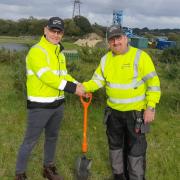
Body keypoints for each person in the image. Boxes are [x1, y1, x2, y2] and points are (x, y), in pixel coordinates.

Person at [82, 25, 161, 180]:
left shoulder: (141, 56)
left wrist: (150, 107)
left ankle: (136, 177)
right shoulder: (105, 60)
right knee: (115, 146)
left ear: (125, 38)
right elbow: (97, 81)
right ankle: (118, 175)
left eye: (118, 38)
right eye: (112, 39)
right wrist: (82, 87)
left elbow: (153, 84)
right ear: (108, 42)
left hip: (136, 114)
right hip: (113, 113)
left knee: (135, 150)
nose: (115, 42)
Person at [15, 17, 84, 180]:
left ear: (62, 34)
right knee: (30, 141)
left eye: (59, 32)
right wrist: (73, 89)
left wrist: (79, 85)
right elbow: (47, 77)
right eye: (53, 30)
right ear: (45, 30)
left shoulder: (59, 53)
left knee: (52, 137)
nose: (56, 34)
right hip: (39, 106)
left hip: (58, 104)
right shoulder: (37, 51)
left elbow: (63, 75)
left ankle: (48, 168)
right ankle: (19, 174)